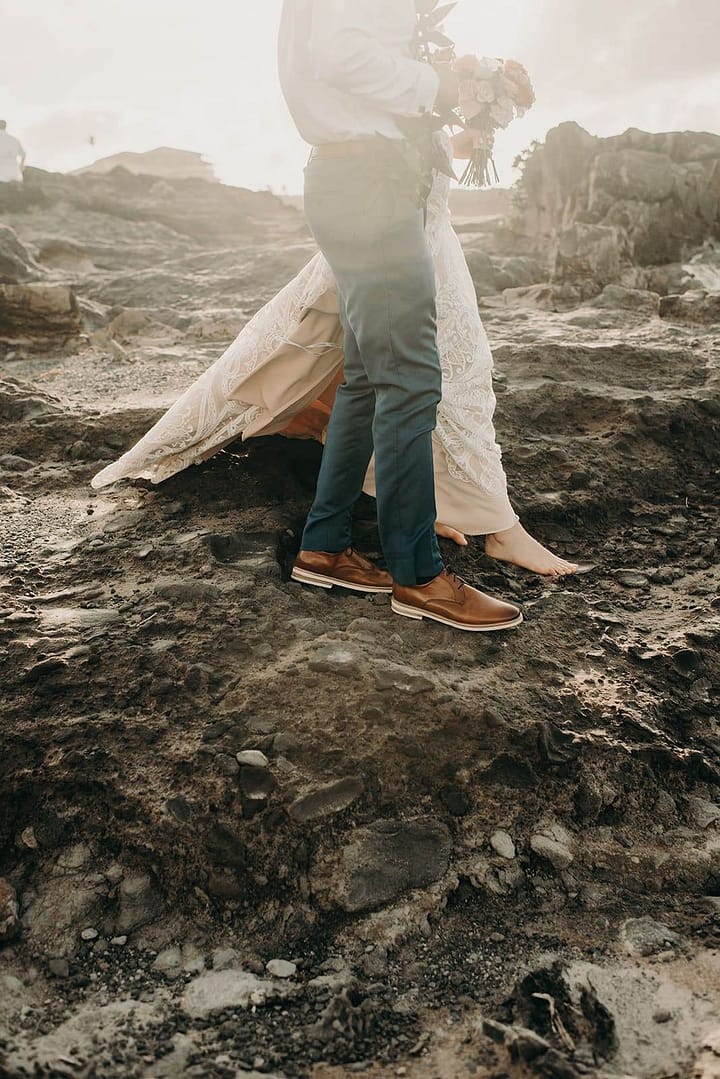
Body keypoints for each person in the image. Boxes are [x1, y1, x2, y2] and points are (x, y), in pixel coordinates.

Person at [92, 2, 578, 629]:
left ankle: (324, 547)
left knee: (370, 377)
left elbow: (365, 87)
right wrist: (444, 85)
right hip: (367, 187)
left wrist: (452, 116)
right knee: (409, 378)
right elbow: (342, 56)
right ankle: (418, 577)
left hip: (372, 181)